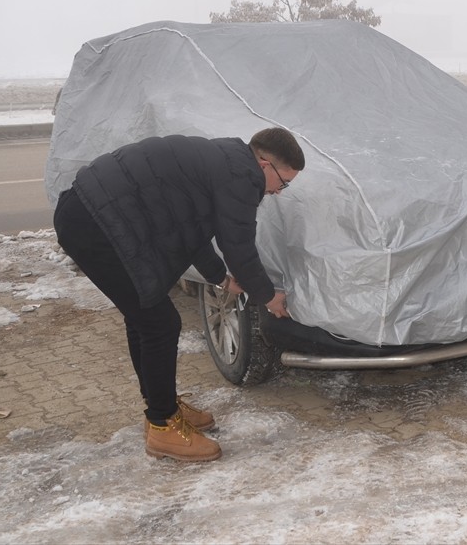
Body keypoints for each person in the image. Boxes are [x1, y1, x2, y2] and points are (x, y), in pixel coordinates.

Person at [53, 127, 304, 462]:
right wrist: (268, 297)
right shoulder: (242, 177)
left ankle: (163, 407)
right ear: (263, 164)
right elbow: (239, 247)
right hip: (95, 222)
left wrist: (221, 279)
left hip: (91, 213)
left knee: (146, 313)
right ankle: (162, 427)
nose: (278, 192)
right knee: (159, 323)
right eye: (282, 183)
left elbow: (192, 229)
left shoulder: (224, 161)